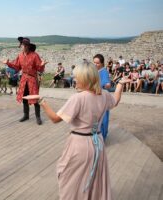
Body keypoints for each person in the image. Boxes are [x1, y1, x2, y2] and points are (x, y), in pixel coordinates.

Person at [23, 61, 125, 200]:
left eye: (77, 77)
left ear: (86, 79)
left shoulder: (78, 98)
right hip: (98, 144)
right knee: (94, 180)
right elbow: (116, 101)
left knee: (69, 179)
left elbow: (55, 119)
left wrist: (41, 100)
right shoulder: (105, 94)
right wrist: (120, 84)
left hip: (80, 145)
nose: (74, 80)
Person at [3, 37, 47, 125]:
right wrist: (8, 63)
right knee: (24, 98)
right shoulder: (20, 55)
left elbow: (39, 68)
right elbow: (17, 66)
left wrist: (42, 65)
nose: (21, 47)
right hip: (23, 79)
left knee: (35, 98)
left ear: (27, 46)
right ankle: (26, 115)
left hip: (32, 79)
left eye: (22, 45)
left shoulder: (35, 55)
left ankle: (38, 117)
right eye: (21, 45)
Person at [93, 54, 111, 140]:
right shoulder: (95, 71)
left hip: (102, 99)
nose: (95, 64)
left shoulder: (104, 72)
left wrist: (107, 85)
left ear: (102, 63)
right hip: (94, 98)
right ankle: (96, 136)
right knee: (95, 118)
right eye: (94, 63)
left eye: (97, 63)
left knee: (103, 119)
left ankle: (102, 137)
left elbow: (107, 84)